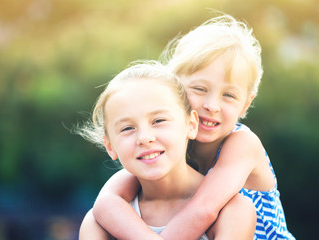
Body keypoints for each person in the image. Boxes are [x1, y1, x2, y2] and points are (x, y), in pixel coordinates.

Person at [90, 14, 295, 240]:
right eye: (199, 89)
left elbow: (203, 210)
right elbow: (106, 203)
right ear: (174, 87)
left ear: (246, 103)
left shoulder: (242, 143)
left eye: (228, 95)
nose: (212, 105)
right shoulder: (167, 146)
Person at [78, 61, 257, 239]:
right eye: (127, 128)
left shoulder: (233, 212)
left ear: (191, 124)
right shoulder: (99, 225)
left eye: (158, 121)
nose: (144, 138)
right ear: (110, 146)